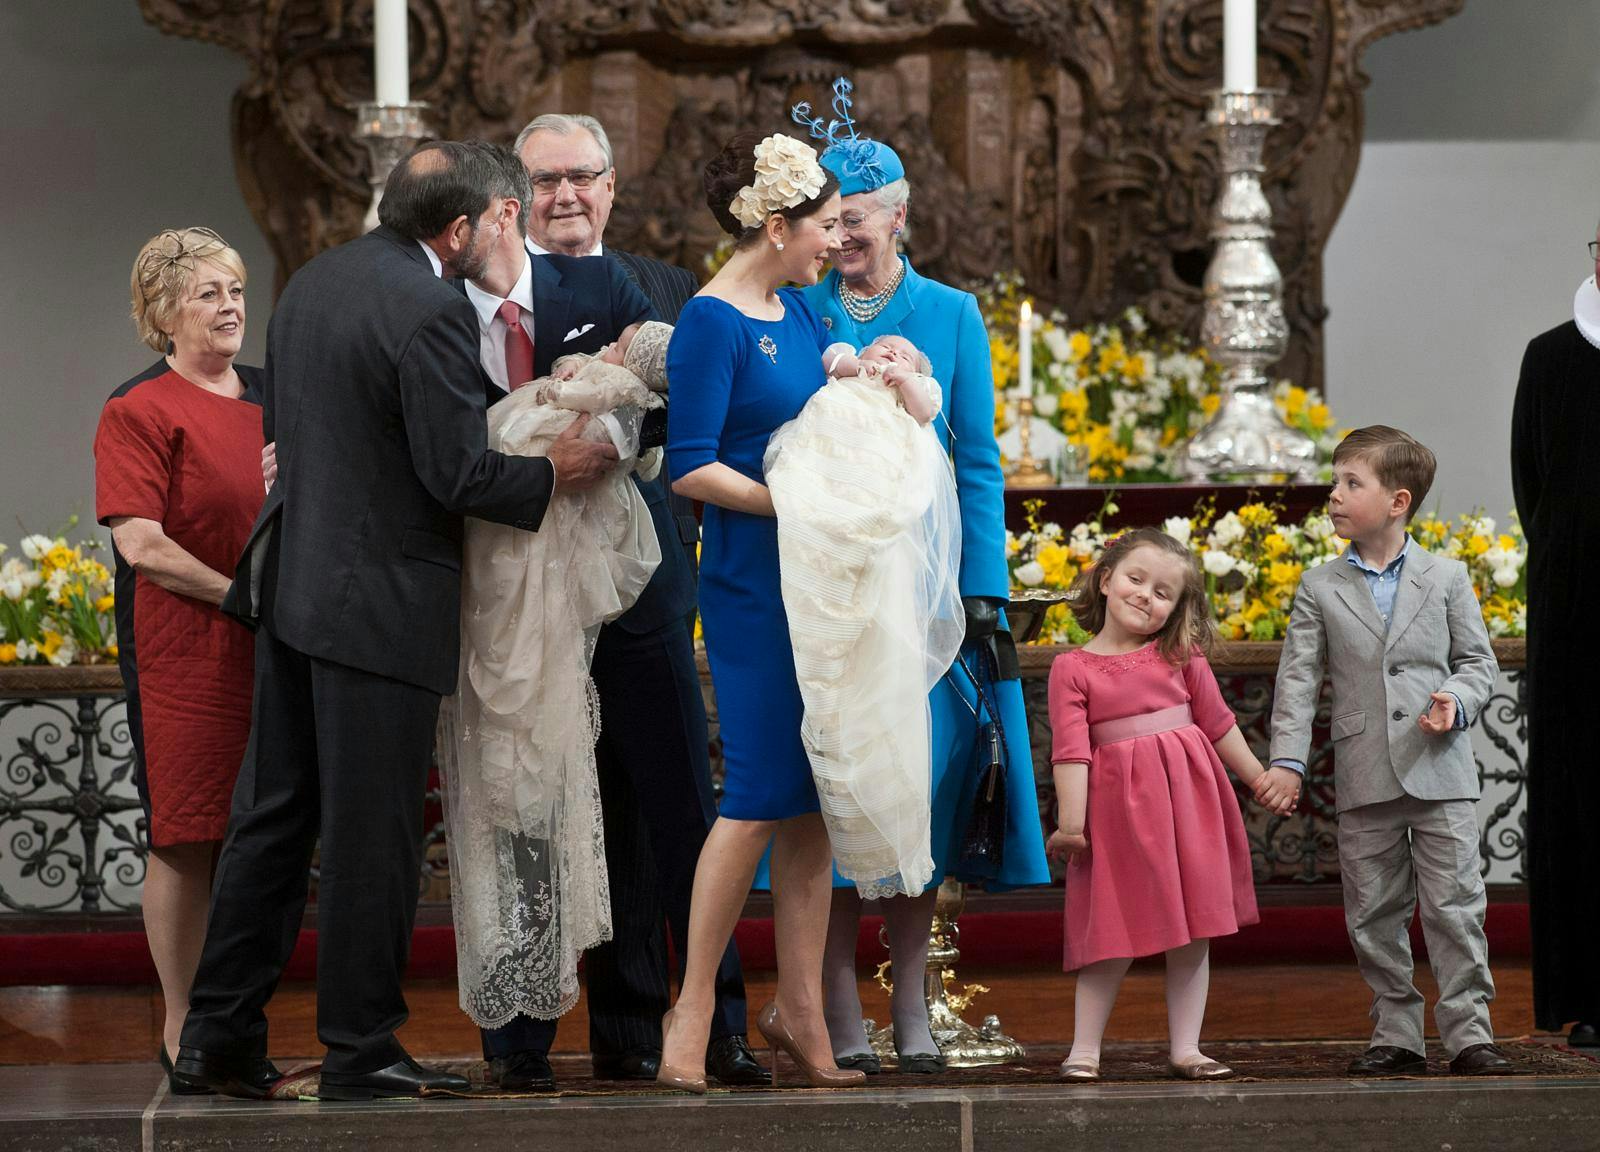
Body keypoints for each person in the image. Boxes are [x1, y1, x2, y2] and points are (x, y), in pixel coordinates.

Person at [173, 140, 618, 1102]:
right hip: (378, 603)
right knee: (373, 834)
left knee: (274, 820)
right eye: (496, 219)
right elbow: (456, 472)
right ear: (457, 230)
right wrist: (555, 471)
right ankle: (359, 1047)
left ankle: (216, 1037)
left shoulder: (313, 284)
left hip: (294, 584)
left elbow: (290, 443)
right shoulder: (428, 310)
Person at [792, 77, 1050, 1074]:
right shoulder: (800, 309)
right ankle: (832, 1015)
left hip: (932, 593)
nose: (841, 238)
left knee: (917, 804)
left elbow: (977, 457)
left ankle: (909, 1009)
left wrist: (980, 589)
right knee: (831, 806)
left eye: (853, 222)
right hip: (827, 597)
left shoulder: (950, 312)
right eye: (829, 222)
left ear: (899, 215)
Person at [504, 113, 766, 1088]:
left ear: (612, 187)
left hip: (648, 584)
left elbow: (721, 408)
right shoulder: (485, 293)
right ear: (512, 196)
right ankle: (521, 1044)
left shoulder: (667, 290)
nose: (566, 195)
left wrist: (631, 402)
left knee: (678, 810)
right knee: (529, 806)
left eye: (584, 176)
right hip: (524, 592)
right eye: (545, 180)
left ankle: (709, 1024)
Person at [657, 130, 862, 1093]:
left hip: (819, 579)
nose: (836, 241)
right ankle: (692, 1004)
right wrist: (794, 502)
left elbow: (822, 423)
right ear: (775, 225)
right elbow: (686, 462)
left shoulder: (804, 311)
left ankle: (802, 1010)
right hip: (749, 581)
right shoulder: (711, 321)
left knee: (814, 804)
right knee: (753, 798)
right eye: (825, 226)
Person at [1271, 426, 1510, 1077]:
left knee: (1456, 907)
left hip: (1443, 772)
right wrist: (1287, 762)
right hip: (1365, 771)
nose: (1335, 496)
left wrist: (1455, 701)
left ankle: (1469, 1033)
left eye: (1352, 483)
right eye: (1335, 482)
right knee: (1373, 913)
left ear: (1398, 501)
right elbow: (1298, 681)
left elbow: (1476, 665)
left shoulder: (1448, 577)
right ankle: (1397, 1032)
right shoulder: (1319, 586)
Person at [93, 228, 264, 1093]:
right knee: (188, 834)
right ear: (163, 313)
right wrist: (239, 594)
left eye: (235, 289)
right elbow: (143, 546)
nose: (231, 305)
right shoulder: (140, 408)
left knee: (263, 832)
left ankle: (239, 1017)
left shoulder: (275, 396)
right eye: (208, 294)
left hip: (276, 640)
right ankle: (181, 1017)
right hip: (188, 649)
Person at [1047, 528, 1276, 1082]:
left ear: (1178, 608)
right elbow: (1072, 752)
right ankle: (1084, 1049)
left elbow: (1220, 725)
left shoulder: (1180, 653)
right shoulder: (1072, 668)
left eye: (1164, 591)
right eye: (1135, 579)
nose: (1146, 595)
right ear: (1105, 580)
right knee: (1112, 925)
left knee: (1194, 928)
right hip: (1119, 812)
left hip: (1190, 802)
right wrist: (1072, 824)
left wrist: (1259, 778)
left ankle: (1187, 1048)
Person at [766, 333, 963, 899]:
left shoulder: (915, 388)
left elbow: (928, 410)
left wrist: (905, 381)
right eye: (884, 347)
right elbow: (831, 364)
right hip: (832, 459)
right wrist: (860, 364)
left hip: (881, 484)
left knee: (873, 659)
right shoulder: (851, 368)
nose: (890, 355)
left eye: (903, 351)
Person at [1511, 232, 1600, 1048]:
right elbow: (1533, 488)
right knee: (1580, 798)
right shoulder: (1550, 357)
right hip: (1577, 614)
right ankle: (1589, 997)